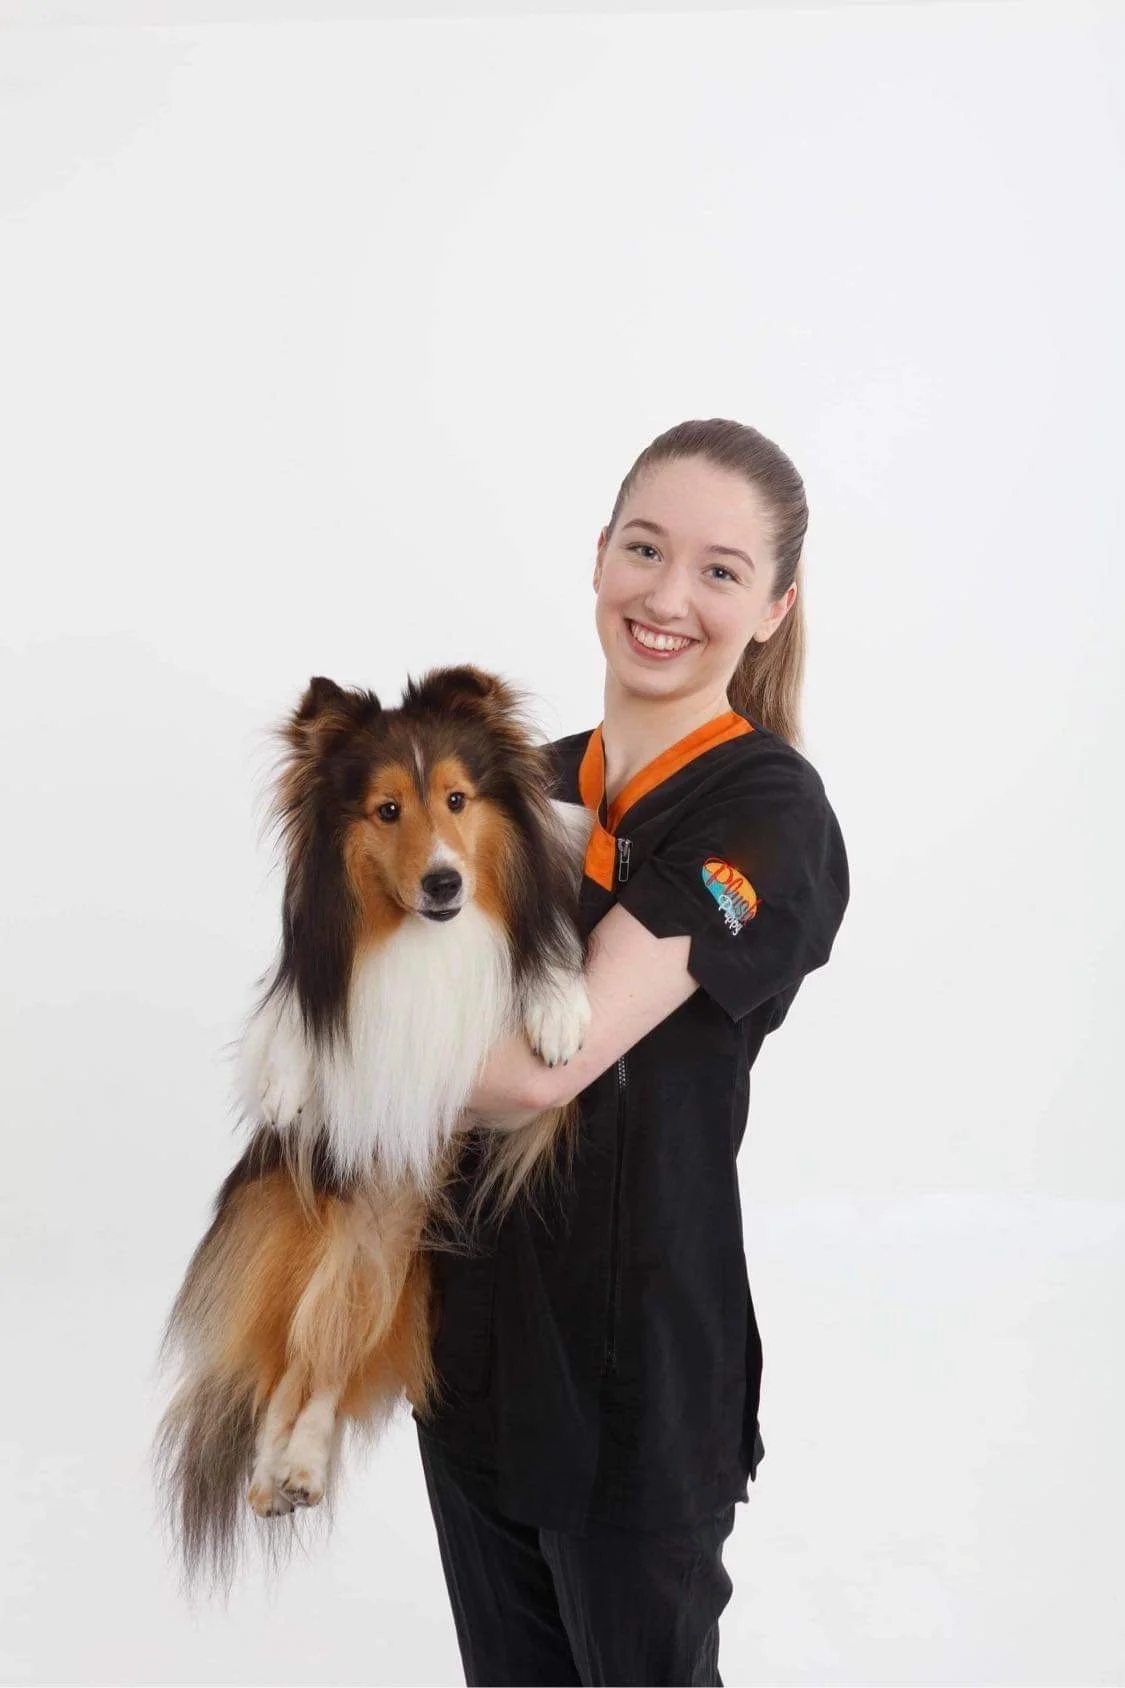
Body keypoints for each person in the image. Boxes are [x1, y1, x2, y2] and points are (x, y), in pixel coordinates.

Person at [412, 418, 851, 1687]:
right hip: (476, 1352)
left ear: (773, 607)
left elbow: (542, 1062)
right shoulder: (519, 788)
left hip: (637, 1384)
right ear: (598, 555)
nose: (668, 597)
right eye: (645, 550)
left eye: (720, 570)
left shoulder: (767, 811)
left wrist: (344, 1042)